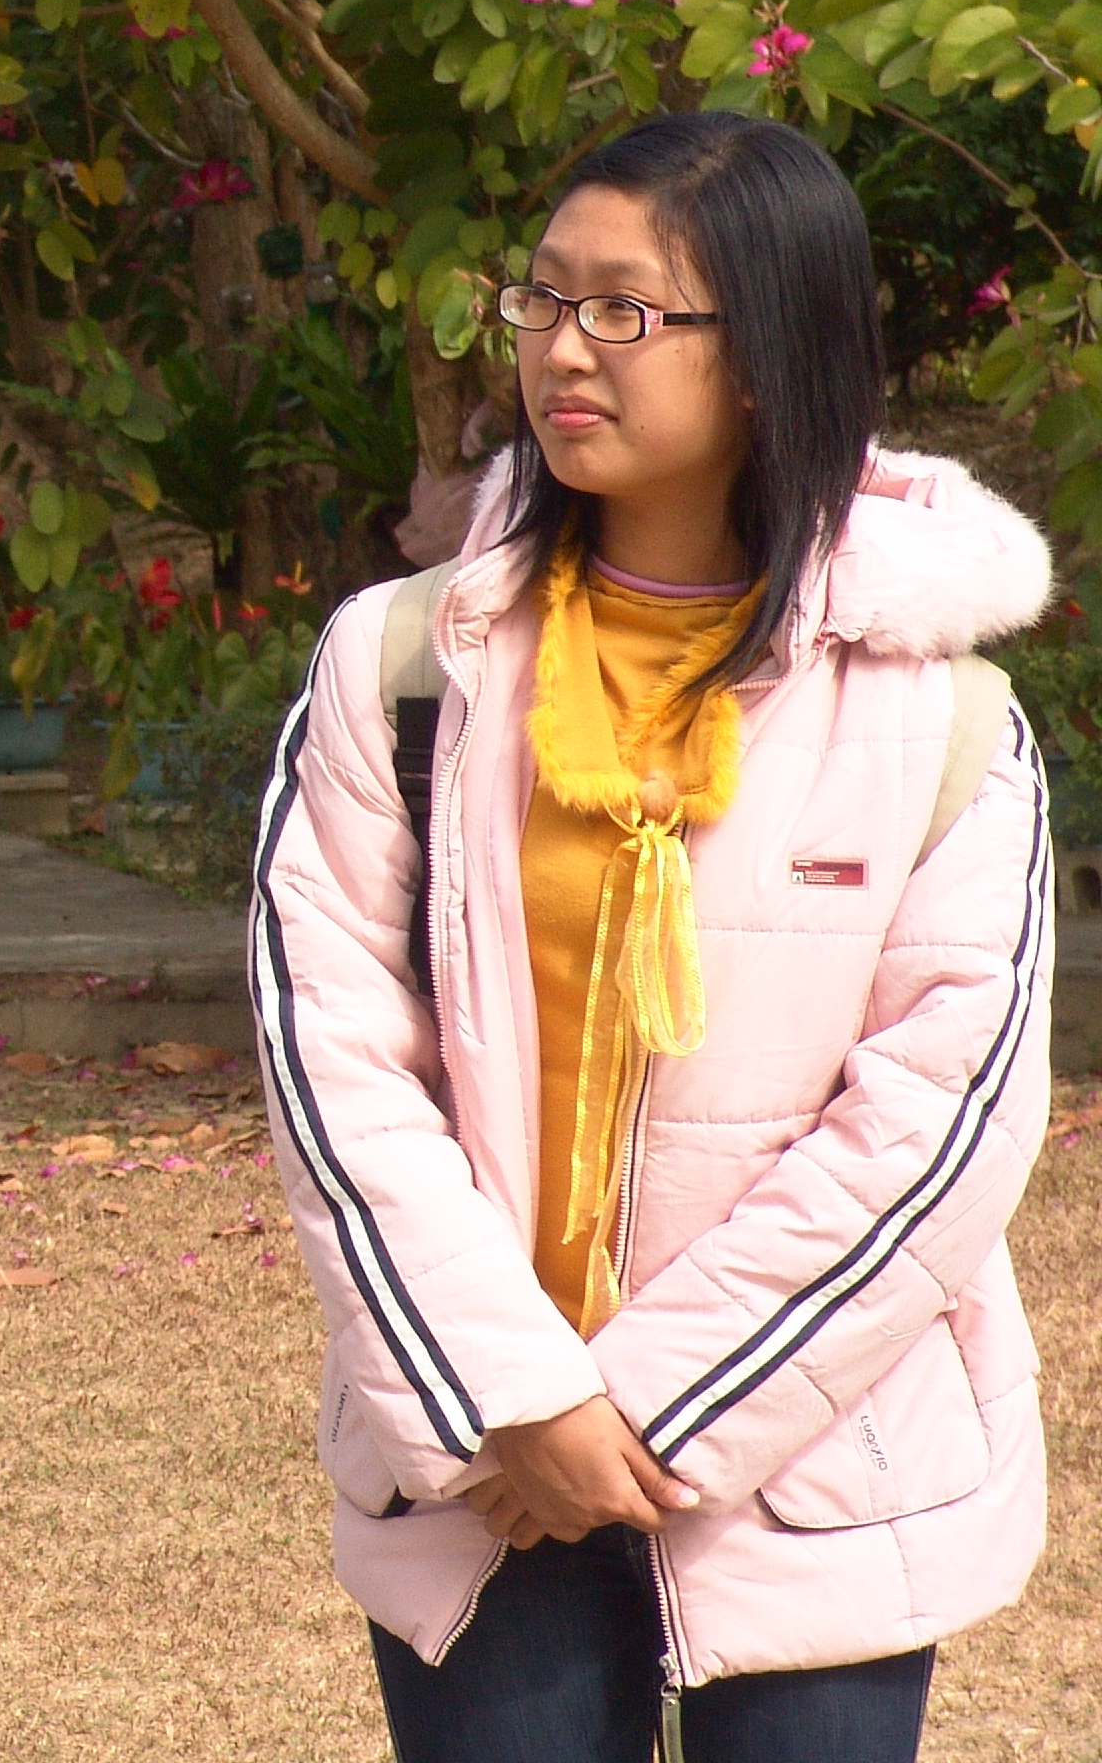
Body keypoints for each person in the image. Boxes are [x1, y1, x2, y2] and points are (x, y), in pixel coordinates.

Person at [252, 114, 1054, 1762]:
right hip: (483, 1471)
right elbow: (329, 1059)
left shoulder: (944, 716)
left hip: (815, 1468)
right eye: (544, 298)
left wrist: (646, 1407)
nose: (563, 348)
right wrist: (519, 1399)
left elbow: (936, 1133)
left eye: (626, 309)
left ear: (767, 356)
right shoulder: (405, 666)